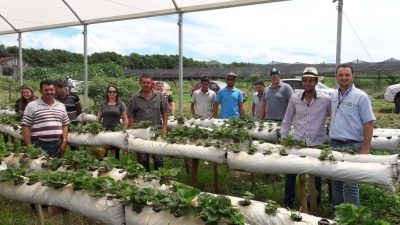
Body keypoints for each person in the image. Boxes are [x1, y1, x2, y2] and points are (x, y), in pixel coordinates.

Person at [280, 67, 331, 209]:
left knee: (316, 175)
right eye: (305, 80)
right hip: (297, 143)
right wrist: (283, 138)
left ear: (316, 82)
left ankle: (314, 203)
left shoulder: (325, 100)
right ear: (302, 82)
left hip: (316, 143)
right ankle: (288, 203)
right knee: (291, 174)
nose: (307, 83)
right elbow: (287, 119)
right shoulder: (295, 99)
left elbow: (335, 116)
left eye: (311, 81)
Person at [329, 63, 375, 210]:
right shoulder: (333, 95)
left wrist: (366, 147)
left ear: (352, 76)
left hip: (353, 145)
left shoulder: (361, 96)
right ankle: (338, 213)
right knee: (336, 182)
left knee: (351, 183)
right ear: (336, 77)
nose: (344, 78)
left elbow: (369, 122)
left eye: (347, 75)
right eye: (341, 75)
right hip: (334, 144)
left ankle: (352, 216)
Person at [127, 74, 170, 172]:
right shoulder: (135, 98)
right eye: (144, 82)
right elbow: (131, 115)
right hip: (141, 134)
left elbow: (165, 112)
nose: (146, 84)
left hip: (157, 131)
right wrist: (133, 132)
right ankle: (145, 180)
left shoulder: (159, 96)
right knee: (143, 159)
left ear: (151, 83)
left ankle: (160, 180)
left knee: (158, 158)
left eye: (148, 82)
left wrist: (164, 129)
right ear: (140, 83)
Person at [21, 80, 70, 158]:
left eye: (51, 89)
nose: (49, 92)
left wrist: (64, 142)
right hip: (39, 145)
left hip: (57, 146)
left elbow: (65, 125)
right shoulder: (32, 106)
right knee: (38, 169)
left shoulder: (61, 106)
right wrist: (29, 147)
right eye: (46, 90)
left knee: (55, 169)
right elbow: (25, 126)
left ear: (55, 90)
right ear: (40, 91)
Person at [96, 85, 128, 159]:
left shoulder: (121, 104)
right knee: (102, 153)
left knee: (115, 154)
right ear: (107, 93)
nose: (112, 93)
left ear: (117, 93)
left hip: (116, 131)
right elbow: (98, 119)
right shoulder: (103, 104)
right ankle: (102, 168)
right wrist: (98, 129)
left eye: (114, 92)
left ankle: (115, 168)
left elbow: (125, 119)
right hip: (104, 131)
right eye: (110, 91)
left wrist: (124, 131)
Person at [54, 79, 83, 151]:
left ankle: (76, 159)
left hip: (72, 124)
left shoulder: (73, 96)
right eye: (54, 89)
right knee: (58, 145)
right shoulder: (54, 98)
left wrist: (72, 117)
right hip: (58, 124)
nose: (55, 91)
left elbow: (79, 110)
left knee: (74, 144)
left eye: (56, 88)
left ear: (63, 87)